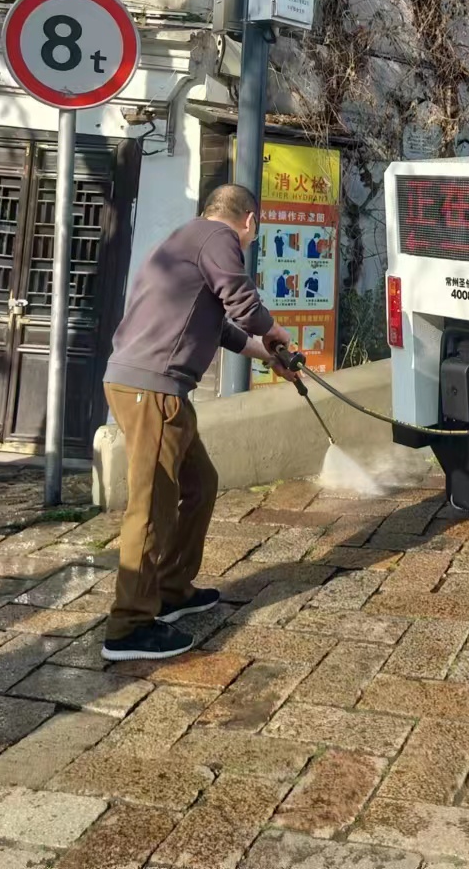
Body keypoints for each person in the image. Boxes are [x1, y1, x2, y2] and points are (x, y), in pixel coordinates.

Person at [99, 183, 294, 661]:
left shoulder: (184, 238)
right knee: (152, 504)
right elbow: (241, 302)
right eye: (252, 233)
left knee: (200, 482)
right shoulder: (217, 237)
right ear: (248, 221)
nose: (246, 243)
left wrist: (269, 355)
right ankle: (128, 626)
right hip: (153, 388)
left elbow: (220, 326)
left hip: (152, 387)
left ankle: (170, 589)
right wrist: (273, 330)